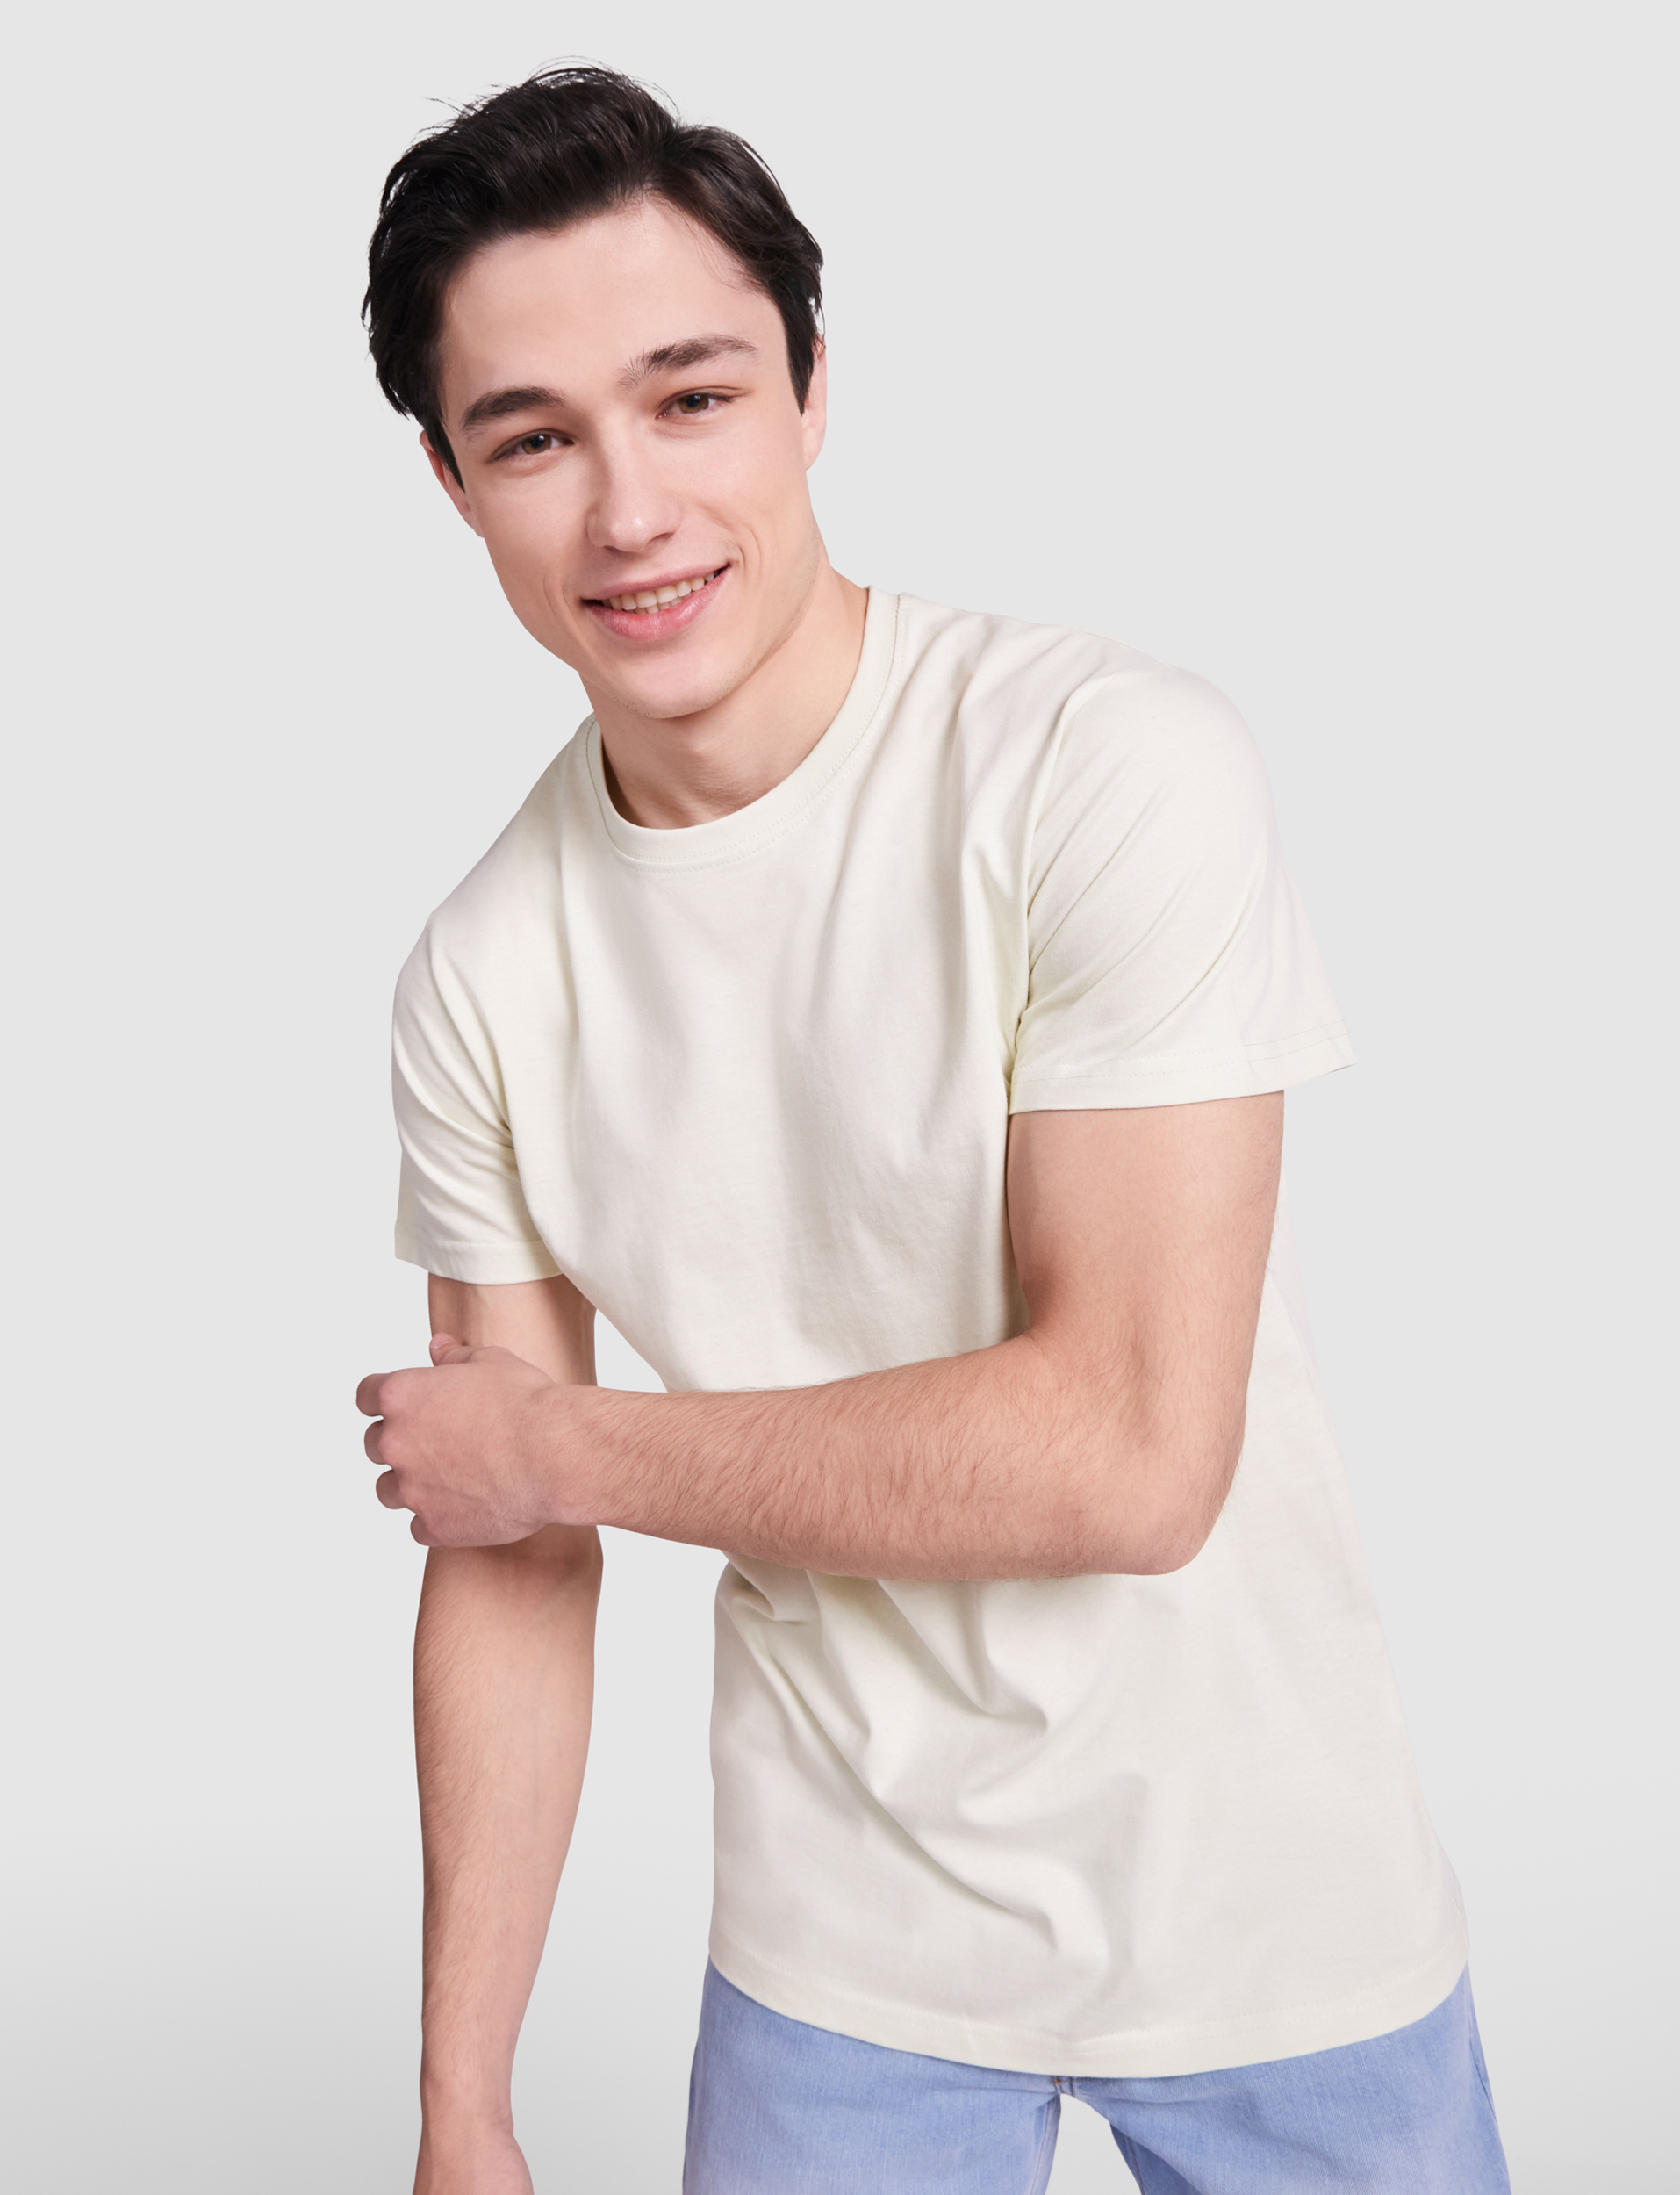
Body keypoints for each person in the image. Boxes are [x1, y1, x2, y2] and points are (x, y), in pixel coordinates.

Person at [355, 65, 1512, 2195]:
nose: (630, 509)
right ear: (452, 482)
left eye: (691, 398)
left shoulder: (1099, 765)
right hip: (840, 1965)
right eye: (534, 438)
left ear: (809, 391)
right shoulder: (482, 973)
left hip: (1271, 1904)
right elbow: (508, 1559)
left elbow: (1130, 1452)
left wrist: (564, 1446)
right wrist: (462, 2102)